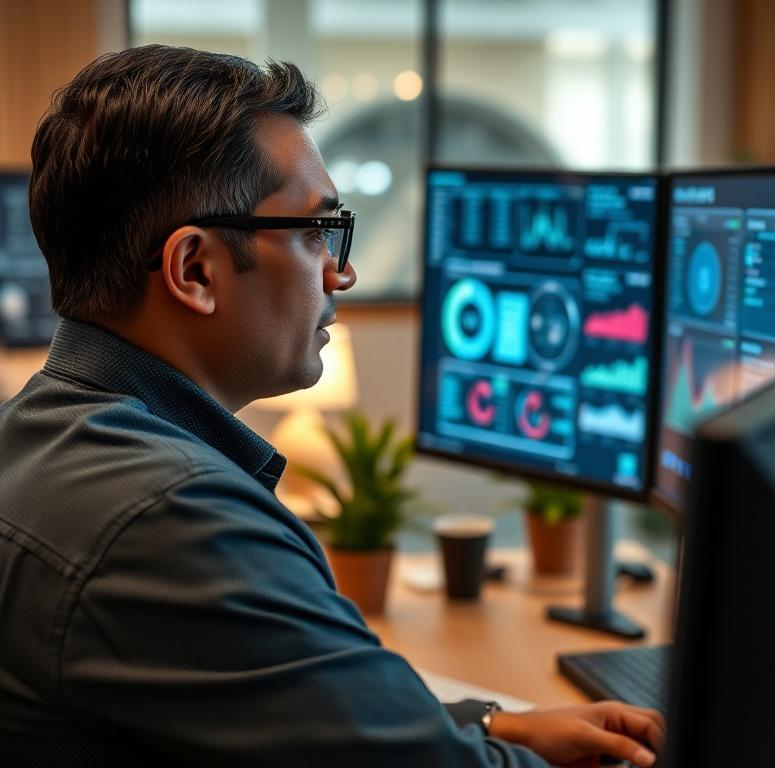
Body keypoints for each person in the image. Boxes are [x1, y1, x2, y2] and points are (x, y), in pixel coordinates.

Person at [0, 45, 664, 767]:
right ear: (195, 270)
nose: (341, 272)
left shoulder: (40, 436)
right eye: (315, 230)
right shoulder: (173, 521)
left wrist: (489, 723)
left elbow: (285, 704)